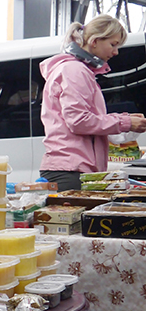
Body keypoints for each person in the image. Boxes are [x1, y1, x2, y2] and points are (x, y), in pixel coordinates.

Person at [39, 14, 146, 191]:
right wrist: (125, 122)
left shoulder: (78, 70)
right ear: (95, 41)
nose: (116, 52)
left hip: (75, 169)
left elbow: (88, 120)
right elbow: (79, 121)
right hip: (70, 170)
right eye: (113, 44)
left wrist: (126, 122)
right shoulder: (74, 70)